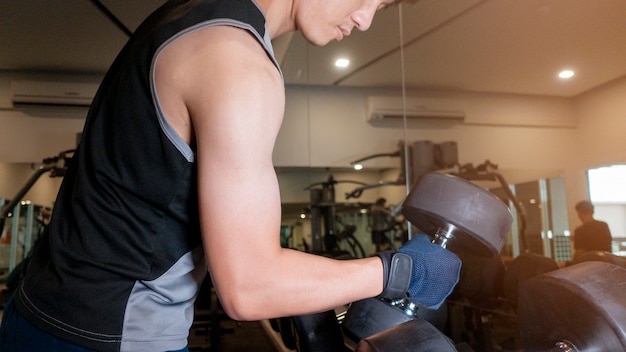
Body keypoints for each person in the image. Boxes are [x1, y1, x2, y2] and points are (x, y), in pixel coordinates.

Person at [0, 1, 461, 351]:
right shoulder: (238, 64)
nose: (365, 20)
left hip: (35, 312)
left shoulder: (189, 16)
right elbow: (248, 287)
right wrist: (401, 271)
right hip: (109, 335)